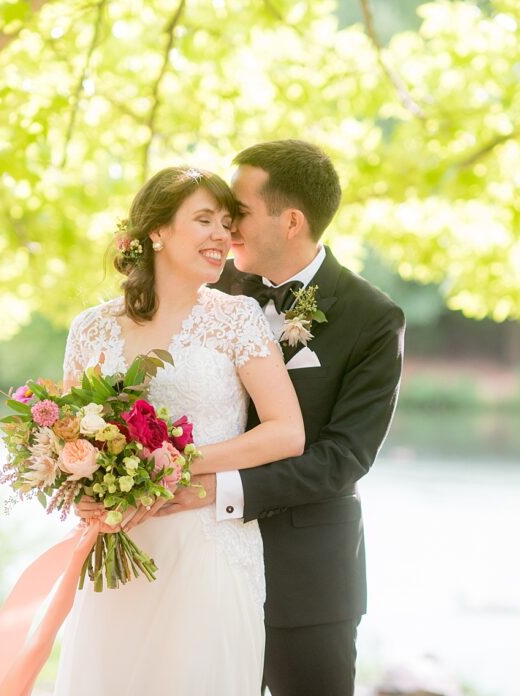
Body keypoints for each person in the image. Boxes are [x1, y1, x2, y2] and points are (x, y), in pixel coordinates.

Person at [158, 139, 406, 695]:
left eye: (238, 213)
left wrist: (218, 489)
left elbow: (343, 460)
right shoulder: (205, 290)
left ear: (291, 221)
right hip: (198, 560)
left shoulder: (372, 317)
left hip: (307, 577)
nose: (226, 228)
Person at [54, 166, 305, 695]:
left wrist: (176, 464)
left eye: (226, 222)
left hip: (207, 543)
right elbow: (72, 436)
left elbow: (287, 432)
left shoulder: (235, 318)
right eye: (204, 220)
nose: (222, 235)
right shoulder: (91, 327)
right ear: (157, 232)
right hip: (119, 548)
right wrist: (82, 488)